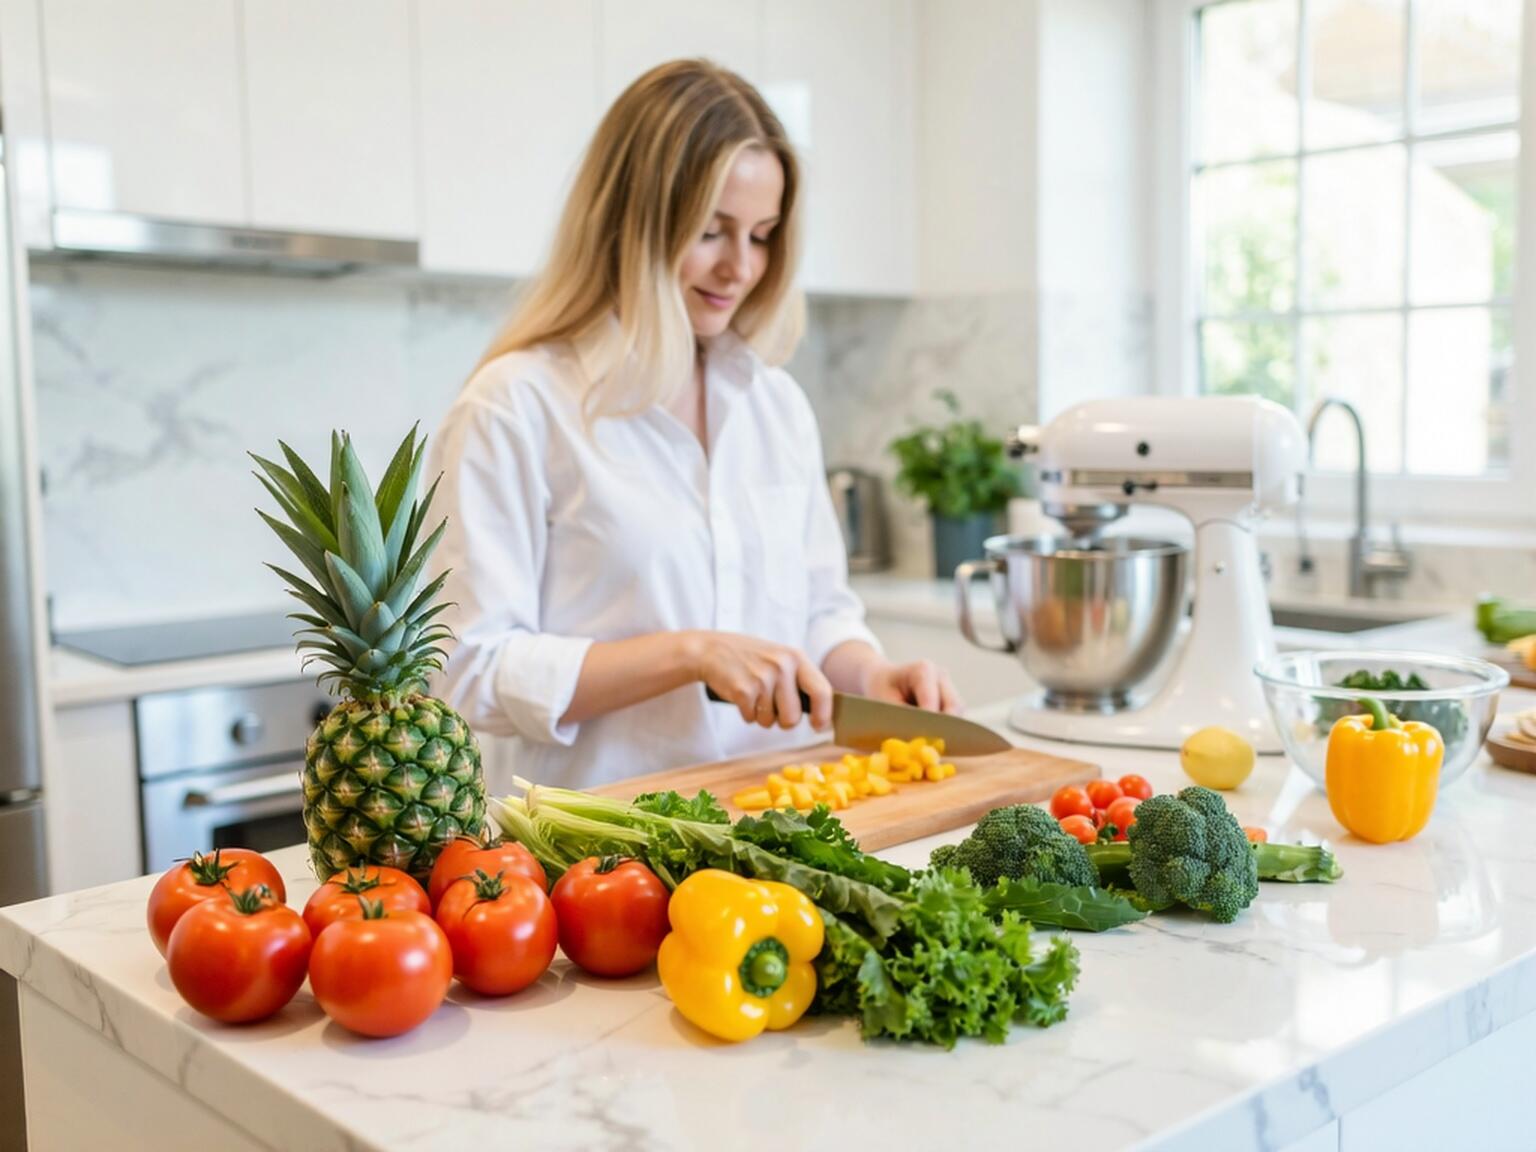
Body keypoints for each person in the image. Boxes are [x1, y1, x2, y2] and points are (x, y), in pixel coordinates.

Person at [428, 59, 961, 789]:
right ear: (632, 225)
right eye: (712, 231)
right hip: (598, 860)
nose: (741, 268)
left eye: (763, 235)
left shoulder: (775, 405)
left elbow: (820, 613)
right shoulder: (514, 405)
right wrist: (688, 653)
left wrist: (871, 671)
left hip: (770, 823)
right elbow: (469, 671)